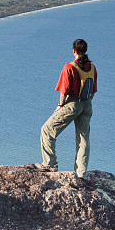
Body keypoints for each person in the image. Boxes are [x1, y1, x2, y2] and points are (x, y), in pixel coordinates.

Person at [34, 38, 97, 176]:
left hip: (72, 104)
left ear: (74, 50)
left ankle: (50, 164)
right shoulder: (92, 67)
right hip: (87, 104)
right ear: (85, 50)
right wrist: (85, 104)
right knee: (83, 139)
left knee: (47, 130)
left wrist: (60, 105)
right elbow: (93, 91)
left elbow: (64, 91)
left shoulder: (69, 67)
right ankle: (81, 173)